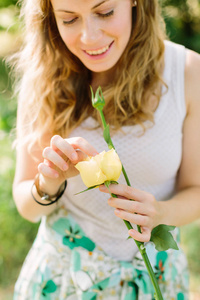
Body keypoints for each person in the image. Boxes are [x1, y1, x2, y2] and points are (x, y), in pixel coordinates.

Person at [11, 0, 200, 299]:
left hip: (155, 278)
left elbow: (196, 189)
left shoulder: (188, 73)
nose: (90, 37)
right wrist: (48, 181)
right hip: (65, 280)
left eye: (105, 12)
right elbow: (26, 205)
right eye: (69, 19)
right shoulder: (45, 77)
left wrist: (160, 213)